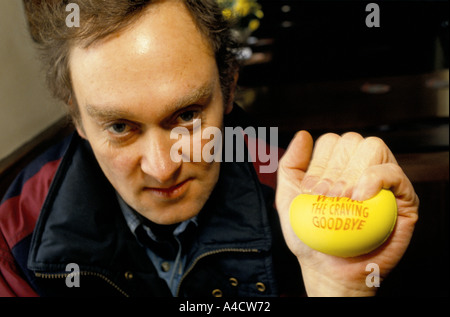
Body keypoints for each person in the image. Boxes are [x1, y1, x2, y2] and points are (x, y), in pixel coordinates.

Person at [0, 0, 418, 297]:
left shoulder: (306, 196)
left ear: (229, 86)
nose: (163, 167)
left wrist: (336, 289)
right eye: (120, 126)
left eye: (186, 116)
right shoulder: (17, 231)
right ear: (77, 119)